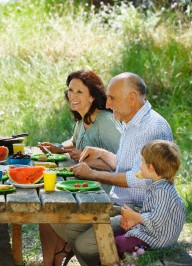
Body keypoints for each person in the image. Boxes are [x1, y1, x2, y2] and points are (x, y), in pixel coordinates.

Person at [65, 72, 173, 266]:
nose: (107, 104)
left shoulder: (152, 128)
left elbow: (141, 178)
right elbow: (129, 166)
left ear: (132, 98)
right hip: (119, 204)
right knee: (67, 224)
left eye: (112, 98)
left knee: (85, 245)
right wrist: (102, 153)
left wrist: (95, 174)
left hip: (142, 213)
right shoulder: (130, 123)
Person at [38, 70, 122, 265]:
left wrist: (87, 161)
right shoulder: (83, 119)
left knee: (49, 210)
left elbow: (121, 163)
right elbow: (75, 143)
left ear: (92, 96)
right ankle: (51, 261)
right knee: (45, 206)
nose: (72, 96)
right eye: (70, 90)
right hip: (85, 188)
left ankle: (60, 253)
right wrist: (59, 148)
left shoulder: (105, 121)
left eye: (79, 92)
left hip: (104, 195)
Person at [115, 140, 185, 257]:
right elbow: (155, 214)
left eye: (142, 162)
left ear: (151, 167)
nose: (139, 165)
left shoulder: (163, 191)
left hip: (157, 240)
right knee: (118, 234)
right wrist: (136, 221)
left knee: (115, 243)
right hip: (153, 233)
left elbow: (156, 220)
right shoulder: (158, 186)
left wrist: (133, 215)